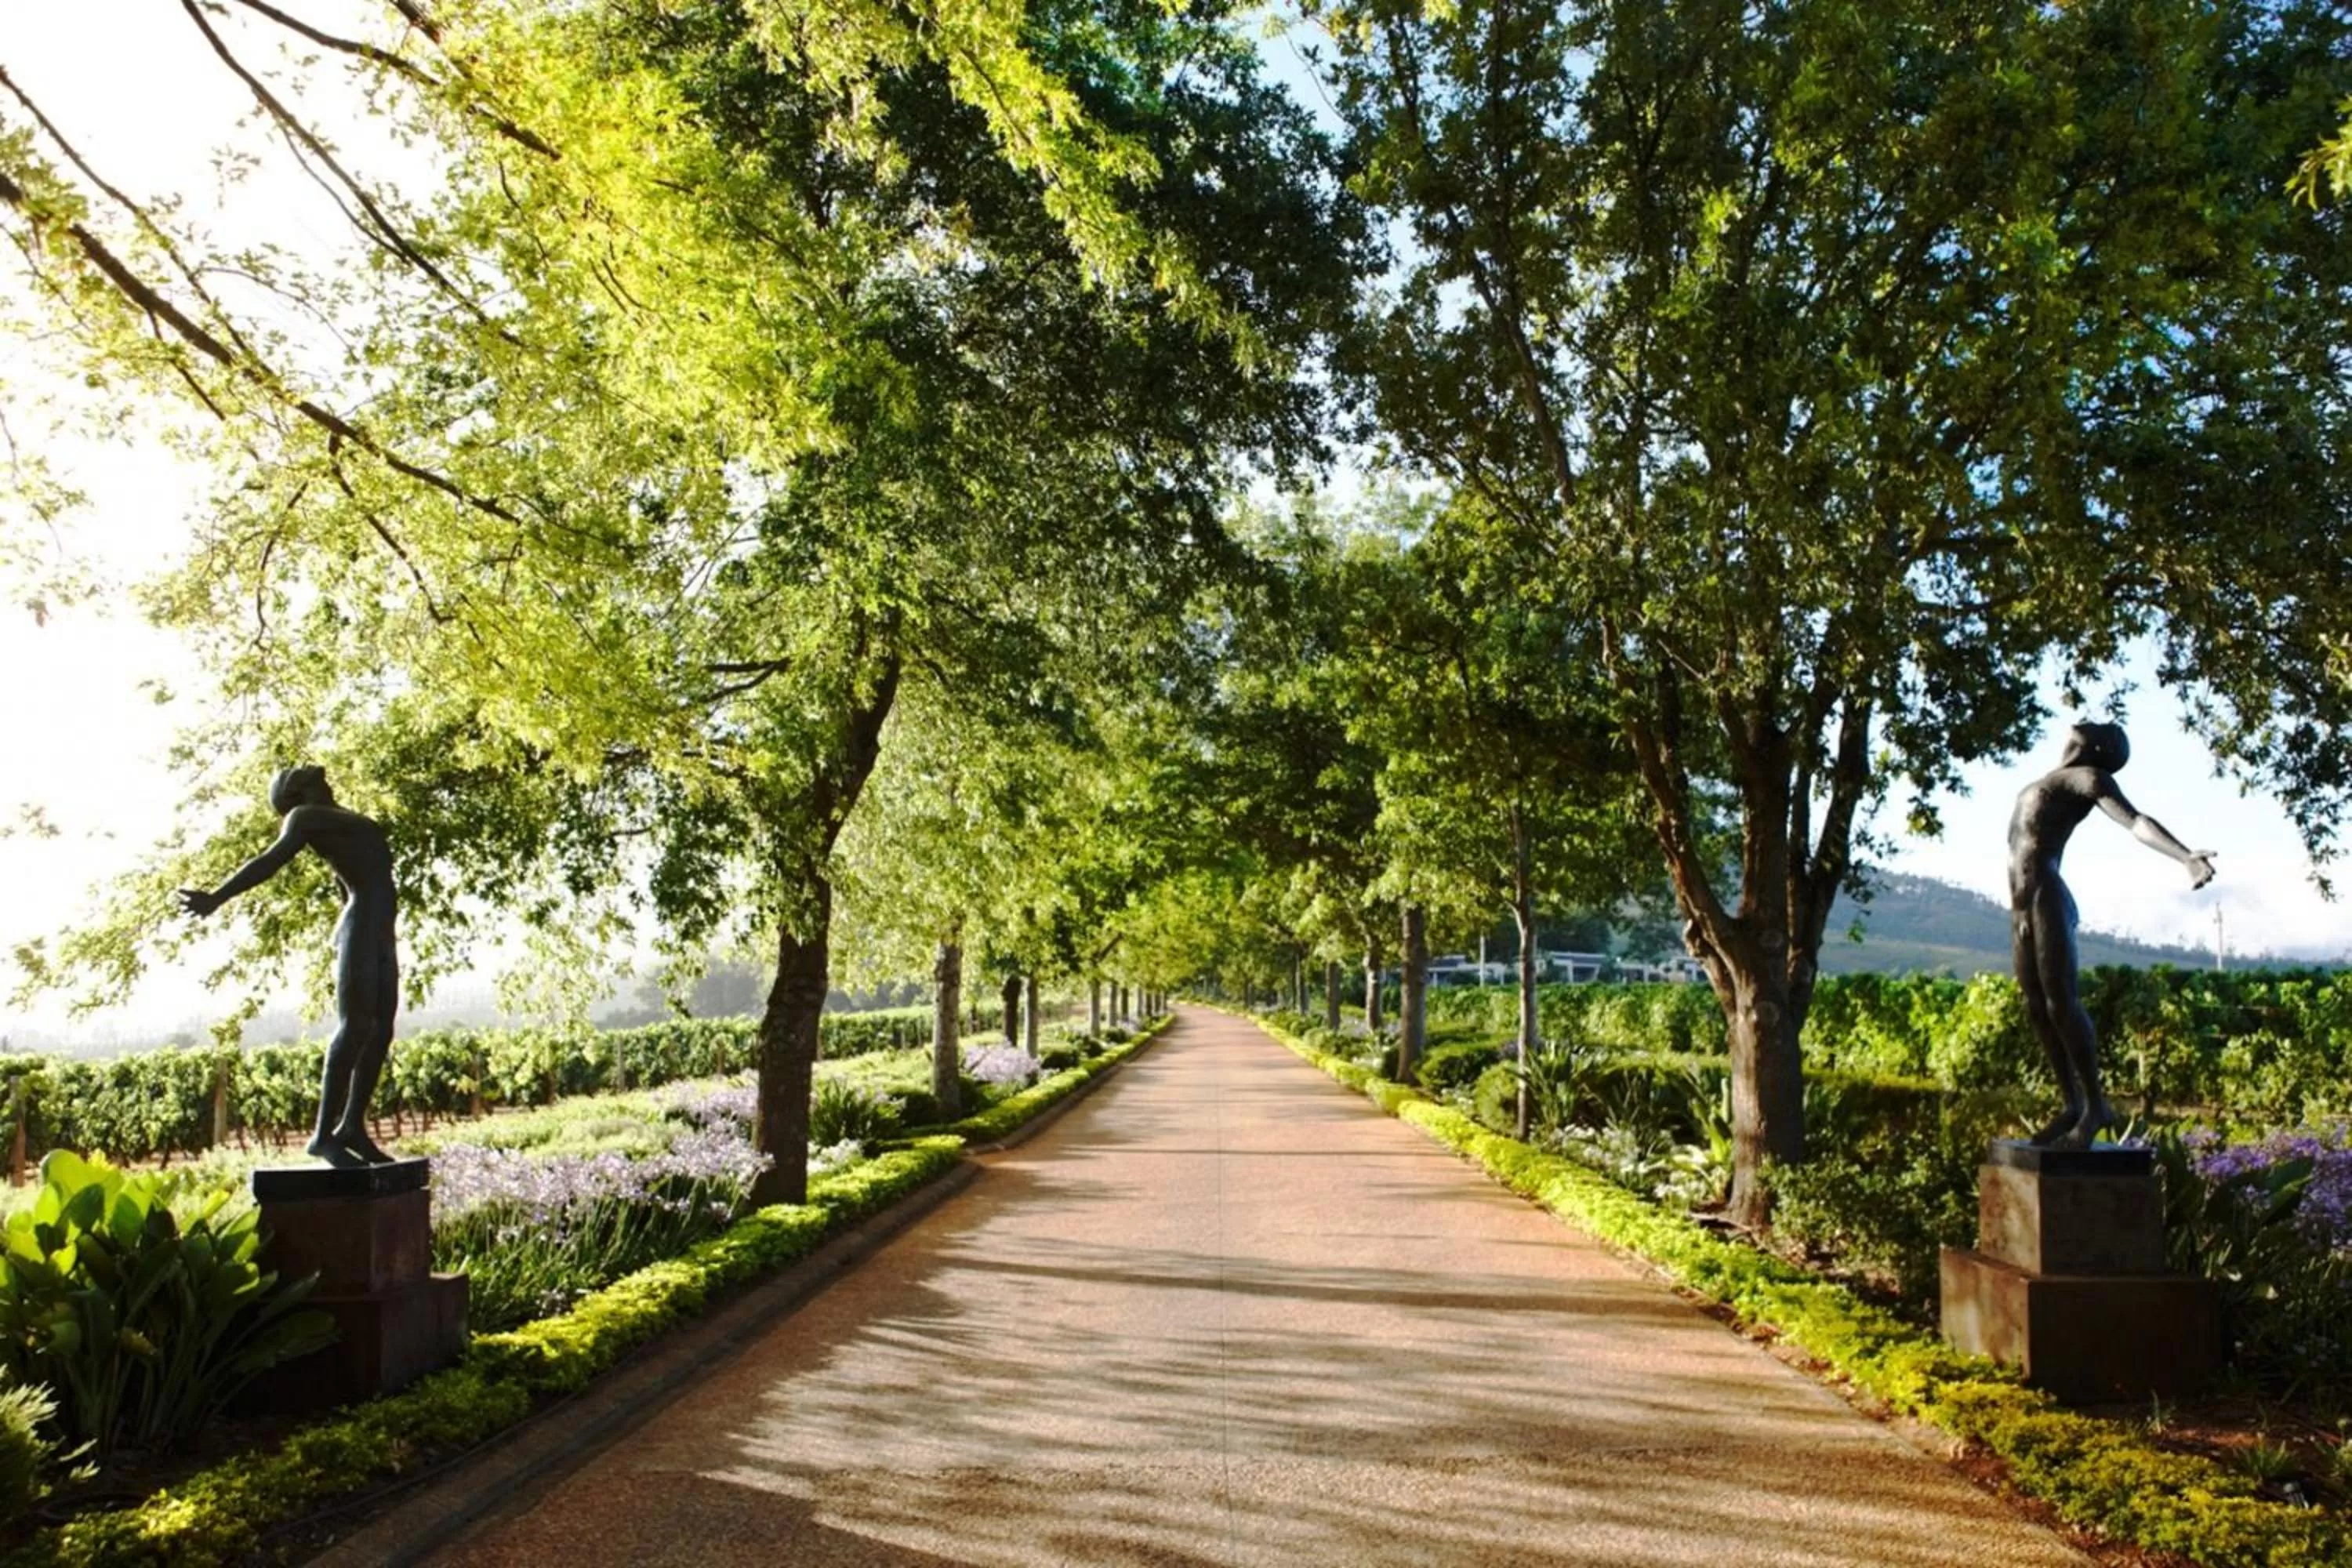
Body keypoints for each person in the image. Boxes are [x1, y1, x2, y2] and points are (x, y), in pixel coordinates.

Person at [178, 765, 399, 1168]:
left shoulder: (340, 817)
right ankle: (321, 1136)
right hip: (363, 924)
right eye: (295, 772)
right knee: (356, 1026)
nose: (313, 768)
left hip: (380, 928)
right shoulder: (303, 817)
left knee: (381, 1029)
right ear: (296, 789)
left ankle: (352, 1127)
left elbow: (343, 877)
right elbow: (269, 862)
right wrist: (216, 898)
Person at [2008, 722, 2215, 1149]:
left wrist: (2184, 855)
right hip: (2021, 905)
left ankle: (2096, 1105)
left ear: (2098, 747)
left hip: (2047, 895)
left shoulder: (2089, 778)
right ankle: (2072, 1104)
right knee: (2037, 1007)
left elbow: (2136, 821)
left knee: (2060, 1001)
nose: (2086, 720)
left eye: (2101, 726)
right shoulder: (2049, 780)